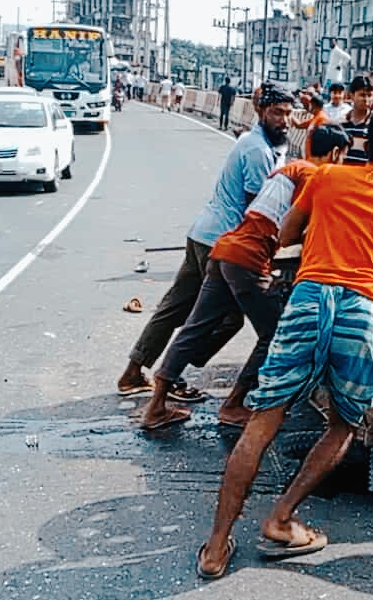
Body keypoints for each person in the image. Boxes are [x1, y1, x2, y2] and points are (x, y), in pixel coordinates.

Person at [196, 108, 373, 579]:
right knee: (343, 425)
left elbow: (284, 235)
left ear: (364, 145)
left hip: (308, 298)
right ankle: (281, 518)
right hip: (361, 307)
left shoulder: (326, 178)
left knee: (263, 421)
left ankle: (216, 546)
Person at [139, 125, 351, 430]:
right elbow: (290, 232)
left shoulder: (286, 169)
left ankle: (155, 406)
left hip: (226, 248)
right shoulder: (314, 176)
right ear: (335, 153)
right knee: (273, 333)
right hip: (248, 257)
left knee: (194, 328)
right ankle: (234, 403)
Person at [116, 86, 296, 398]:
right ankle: (172, 375)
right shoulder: (257, 150)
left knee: (174, 308)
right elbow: (260, 209)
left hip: (203, 233)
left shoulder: (257, 143)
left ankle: (135, 371)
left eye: (289, 114)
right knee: (223, 319)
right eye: (277, 113)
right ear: (260, 112)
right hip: (220, 241)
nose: (285, 120)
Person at [340, 76, 373, 163]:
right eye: (362, 95)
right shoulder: (341, 121)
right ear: (352, 95)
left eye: (370, 95)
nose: (366, 99)